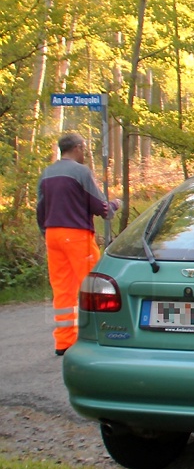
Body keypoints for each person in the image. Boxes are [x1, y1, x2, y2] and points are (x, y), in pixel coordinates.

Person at [36, 133, 120, 356]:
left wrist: (47, 232)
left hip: (53, 235)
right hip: (76, 236)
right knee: (93, 286)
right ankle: (97, 337)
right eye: (84, 148)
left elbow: (40, 209)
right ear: (78, 148)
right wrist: (114, 205)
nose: (85, 153)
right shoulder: (81, 172)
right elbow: (100, 207)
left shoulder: (47, 173)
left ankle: (64, 342)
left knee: (62, 289)